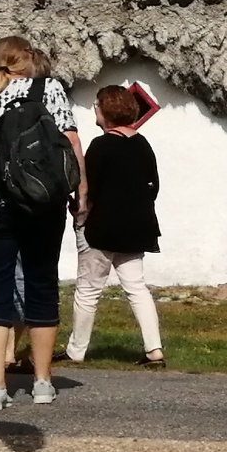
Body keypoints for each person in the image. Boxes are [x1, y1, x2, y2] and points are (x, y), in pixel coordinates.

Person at [0, 35, 84, 411]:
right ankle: (43, 382)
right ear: (27, 60)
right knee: (41, 282)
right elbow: (69, 142)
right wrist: (81, 192)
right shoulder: (48, 89)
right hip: (38, 195)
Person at [65, 85, 166, 368]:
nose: (94, 110)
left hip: (102, 229)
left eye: (97, 105)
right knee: (137, 288)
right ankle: (154, 349)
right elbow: (153, 186)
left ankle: (76, 350)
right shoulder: (143, 144)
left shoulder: (101, 146)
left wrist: (80, 214)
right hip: (137, 227)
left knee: (88, 290)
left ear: (106, 111)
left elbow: (87, 187)